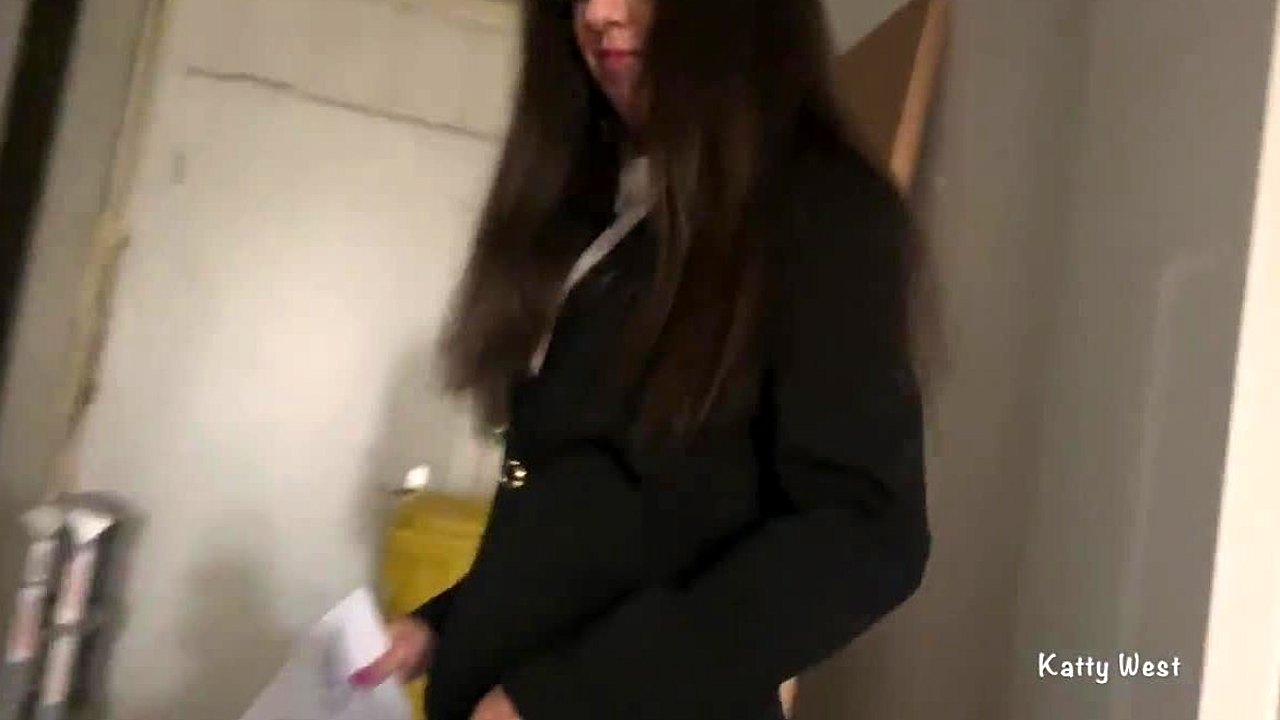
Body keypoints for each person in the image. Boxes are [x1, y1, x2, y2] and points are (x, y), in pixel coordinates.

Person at [351, 0, 933, 718]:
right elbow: (608, 521)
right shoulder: (615, 212)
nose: (597, 13)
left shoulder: (820, 212)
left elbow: (865, 534)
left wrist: (562, 698)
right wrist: (441, 627)